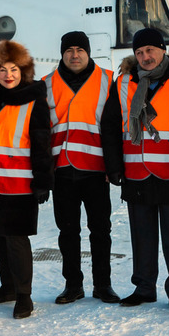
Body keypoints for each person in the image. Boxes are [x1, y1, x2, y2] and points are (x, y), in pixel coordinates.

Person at [101, 27, 169, 312]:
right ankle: (144, 287)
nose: (146, 57)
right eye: (140, 52)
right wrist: (113, 166)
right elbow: (109, 127)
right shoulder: (122, 83)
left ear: (163, 50)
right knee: (141, 236)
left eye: (151, 51)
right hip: (135, 172)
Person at [0, 40, 53, 319]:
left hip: (20, 183)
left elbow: (42, 144)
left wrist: (43, 181)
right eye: (3, 70)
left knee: (16, 240)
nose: (9, 75)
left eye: (14, 69)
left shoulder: (34, 101)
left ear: (24, 72)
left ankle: (24, 295)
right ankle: (7, 285)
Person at [42, 31, 119, 305]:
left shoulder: (110, 81)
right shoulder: (47, 84)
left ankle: (103, 285)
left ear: (88, 52)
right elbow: (40, 132)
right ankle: (72, 285)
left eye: (80, 50)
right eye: (69, 50)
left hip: (97, 170)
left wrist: (115, 166)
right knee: (67, 233)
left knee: (101, 231)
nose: (75, 55)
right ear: (62, 54)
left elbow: (116, 128)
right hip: (62, 170)